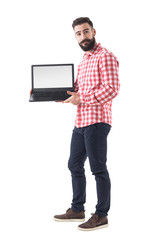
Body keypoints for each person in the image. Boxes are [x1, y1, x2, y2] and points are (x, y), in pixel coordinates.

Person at [54, 17, 120, 231]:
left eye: (86, 31)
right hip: (81, 121)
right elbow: (74, 90)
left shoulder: (105, 56)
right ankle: (77, 209)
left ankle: (101, 215)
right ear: (76, 36)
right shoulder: (84, 60)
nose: (83, 36)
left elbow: (111, 89)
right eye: (79, 33)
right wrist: (48, 92)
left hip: (97, 121)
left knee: (98, 168)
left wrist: (81, 98)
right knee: (74, 165)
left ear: (93, 31)